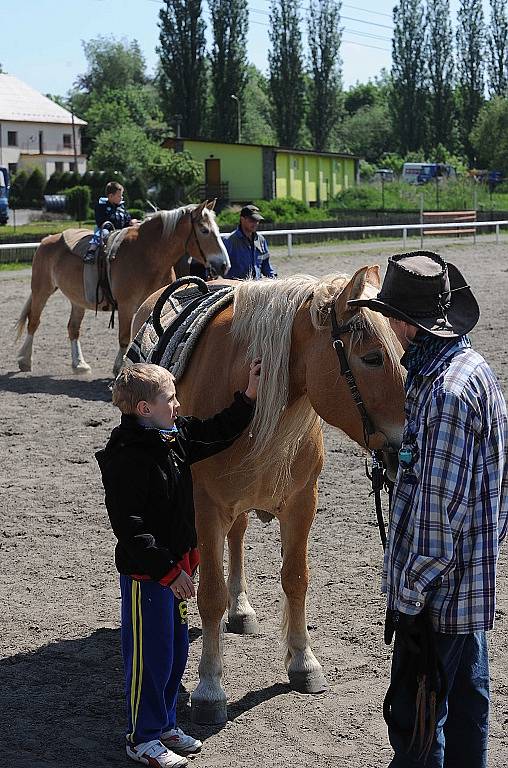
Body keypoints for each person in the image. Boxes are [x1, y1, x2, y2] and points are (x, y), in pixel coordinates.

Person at [349, 251, 508, 768]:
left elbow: (438, 521)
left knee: (416, 723)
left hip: (437, 599)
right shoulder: (470, 369)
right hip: (469, 591)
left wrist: (410, 600)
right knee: (466, 706)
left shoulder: (444, 395)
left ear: (403, 324)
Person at [95, 360, 261, 768]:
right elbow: (131, 531)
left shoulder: (174, 435)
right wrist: (169, 573)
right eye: (170, 398)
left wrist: (249, 398)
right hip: (150, 578)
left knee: (173, 652)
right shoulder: (126, 458)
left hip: (179, 575)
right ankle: (142, 737)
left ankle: (165, 724)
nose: (178, 403)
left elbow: (216, 432)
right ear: (143, 410)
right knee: (149, 659)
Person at [84, 181, 139, 263]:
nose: (122, 198)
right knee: (102, 233)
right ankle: (91, 252)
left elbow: (126, 219)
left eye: (122, 195)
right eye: (119, 196)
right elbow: (100, 222)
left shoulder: (121, 206)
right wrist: (113, 228)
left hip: (120, 230)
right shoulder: (101, 206)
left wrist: (130, 222)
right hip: (107, 229)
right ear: (111, 196)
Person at [223, 204, 276, 280]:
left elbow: (266, 265)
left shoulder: (261, 240)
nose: (255, 223)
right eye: (252, 220)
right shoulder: (228, 241)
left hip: (255, 287)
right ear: (242, 219)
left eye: (257, 221)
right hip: (236, 288)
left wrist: (274, 277)